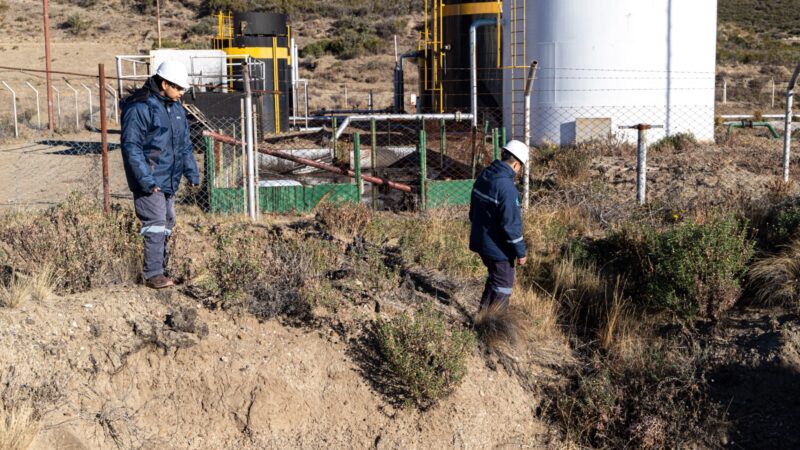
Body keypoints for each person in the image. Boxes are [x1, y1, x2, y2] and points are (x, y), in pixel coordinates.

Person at [120, 60, 199, 289]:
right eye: (178, 88)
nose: (182, 93)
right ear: (164, 83)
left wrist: (191, 172)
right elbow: (131, 147)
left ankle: (161, 269)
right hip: (150, 180)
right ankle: (153, 274)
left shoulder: (176, 109)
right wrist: (146, 180)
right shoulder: (139, 108)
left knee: (167, 222)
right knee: (154, 222)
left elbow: (184, 144)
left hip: (169, 179)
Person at [469, 139, 529, 310]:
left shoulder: (486, 174)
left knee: (495, 279)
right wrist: (521, 252)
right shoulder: (507, 188)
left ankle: (482, 318)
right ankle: (493, 328)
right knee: (503, 285)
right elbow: (511, 226)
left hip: (480, 239)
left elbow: (473, 211)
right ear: (517, 165)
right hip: (497, 248)